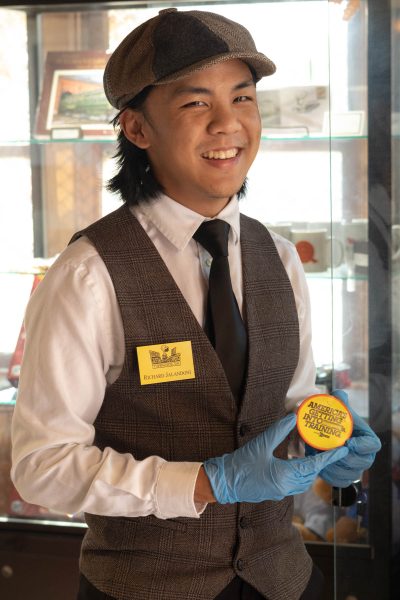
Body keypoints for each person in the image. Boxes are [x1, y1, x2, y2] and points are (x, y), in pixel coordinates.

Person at [11, 8, 381, 600]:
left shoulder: (281, 258)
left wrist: (325, 444)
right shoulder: (88, 274)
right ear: (137, 129)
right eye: (195, 104)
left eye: (243, 98)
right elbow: (43, 468)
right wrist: (207, 482)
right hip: (142, 588)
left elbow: (286, 405)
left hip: (284, 580)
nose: (228, 125)